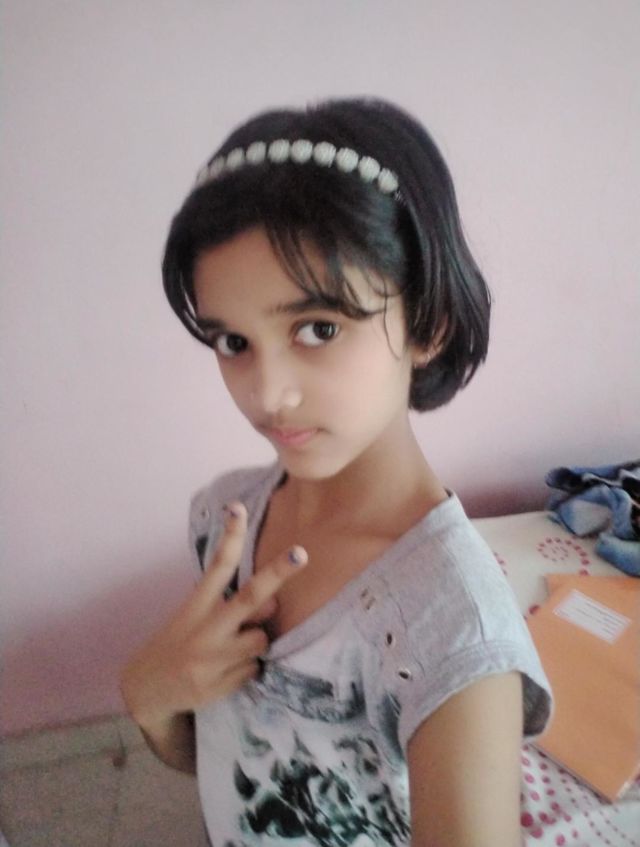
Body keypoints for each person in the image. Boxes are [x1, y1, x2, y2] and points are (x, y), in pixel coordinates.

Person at [120, 97, 552, 846]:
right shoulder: (224, 516)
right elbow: (225, 755)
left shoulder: (454, 638)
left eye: (317, 328)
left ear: (428, 324)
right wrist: (151, 700)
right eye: (233, 342)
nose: (267, 393)